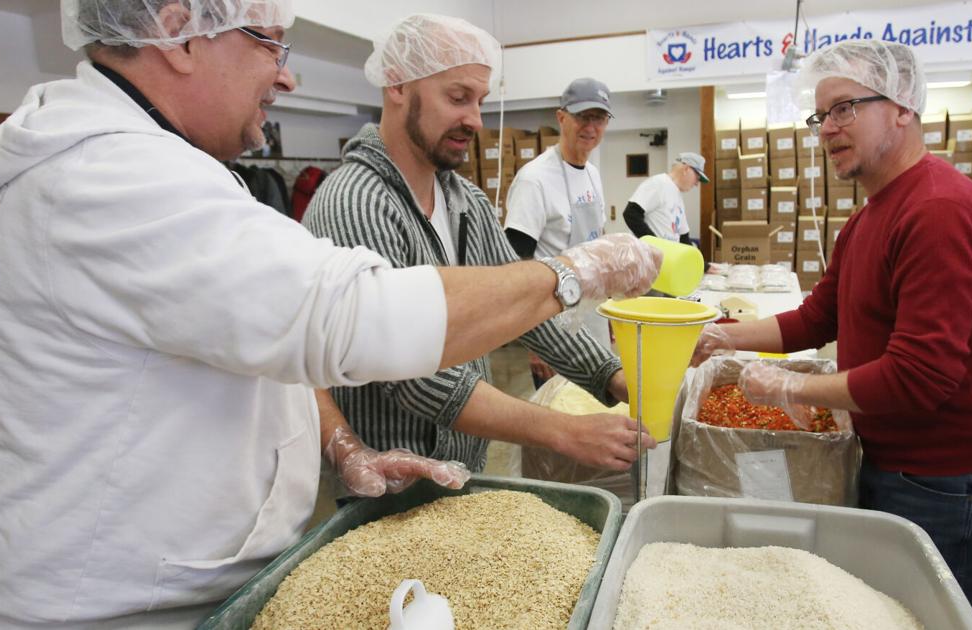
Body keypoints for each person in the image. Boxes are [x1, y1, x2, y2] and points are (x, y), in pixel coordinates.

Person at [0, 2, 661, 627]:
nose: (287, 76)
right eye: (269, 43)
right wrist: (576, 272)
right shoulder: (107, 178)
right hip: (107, 608)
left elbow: (269, 341)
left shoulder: (163, 170)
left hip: (190, 580)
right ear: (178, 34)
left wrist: (337, 444)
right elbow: (353, 318)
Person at [691, 40, 972, 629]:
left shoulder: (938, 211)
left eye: (845, 108)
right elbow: (818, 318)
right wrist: (722, 337)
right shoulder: (871, 214)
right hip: (897, 458)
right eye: (820, 115)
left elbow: (920, 375)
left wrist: (790, 390)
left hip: (953, 477)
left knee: (938, 618)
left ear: (903, 107)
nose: (827, 129)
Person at [303, 15, 655, 479]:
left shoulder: (463, 200)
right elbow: (410, 374)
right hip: (392, 479)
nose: (474, 119)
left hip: (463, 463)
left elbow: (524, 305)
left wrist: (611, 374)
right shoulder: (356, 202)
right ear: (397, 85)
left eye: (481, 101)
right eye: (457, 97)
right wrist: (561, 430)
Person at [503, 77, 615, 385]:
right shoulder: (535, 180)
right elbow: (516, 265)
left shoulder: (592, 174)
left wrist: (611, 311)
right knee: (563, 416)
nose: (591, 127)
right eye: (582, 116)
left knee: (597, 410)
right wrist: (534, 340)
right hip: (554, 327)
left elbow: (598, 245)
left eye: (599, 118)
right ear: (561, 117)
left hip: (593, 314)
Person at [623, 152, 709, 244]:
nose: (696, 184)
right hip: (651, 255)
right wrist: (655, 245)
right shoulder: (658, 183)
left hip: (668, 256)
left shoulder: (677, 195)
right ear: (686, 169)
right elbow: (631, 213)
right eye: (697, 177)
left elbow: (683, 236)